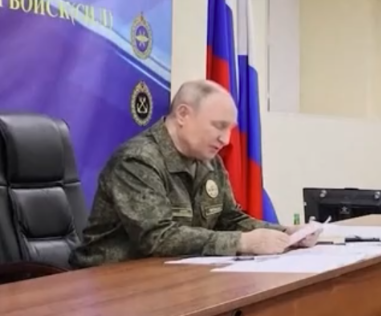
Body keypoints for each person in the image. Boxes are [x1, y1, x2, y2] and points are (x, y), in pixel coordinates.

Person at [70, 81, 320, 267]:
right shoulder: (138, 160)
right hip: (113, 282)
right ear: (183, 115)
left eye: (230, 129)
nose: (225, 139)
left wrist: (285, 233)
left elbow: (229, 219)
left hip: (172, 276)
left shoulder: (209, 160)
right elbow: (157, 238)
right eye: (219, 126)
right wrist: (242, 242)